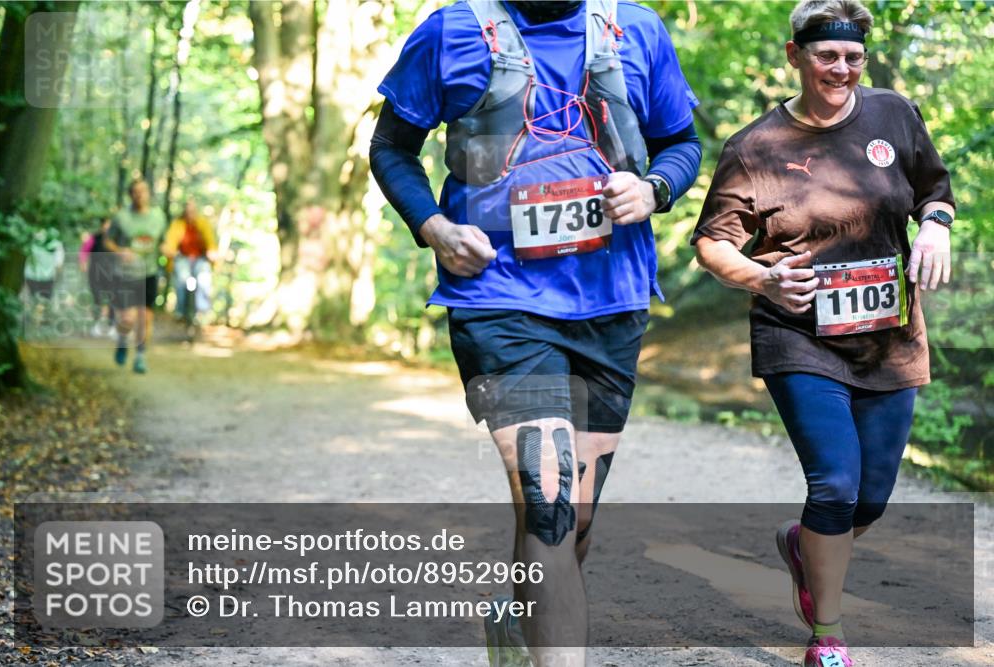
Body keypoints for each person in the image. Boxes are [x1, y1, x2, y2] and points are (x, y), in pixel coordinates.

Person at [370, 1, 700, 664]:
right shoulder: (451, 31)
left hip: (613, 303)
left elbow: (681, 143)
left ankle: (516, 618)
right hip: (499, 299)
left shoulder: (637, 28)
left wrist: (655, 189)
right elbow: (391, 148)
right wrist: (434, 227)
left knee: (572, 520)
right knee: (548, 497)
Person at [691, 1, 954, 665]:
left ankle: (802, 544)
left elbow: (934, 188)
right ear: (795, 56)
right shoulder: (755, 148)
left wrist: (935, 224)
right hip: (797, 332)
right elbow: (713, 242)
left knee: (869, 497)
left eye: (853, 57)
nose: (841, 68)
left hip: (889, 334)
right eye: (827, 56)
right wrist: (760, 278)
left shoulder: (893, 114)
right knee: (834, 484)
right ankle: (827, 636)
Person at [104, 180, 167, 374]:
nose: (140, 195)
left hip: (149, 272)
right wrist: (119, 251)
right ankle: (123, 341)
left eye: (143, 191)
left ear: (148, 193)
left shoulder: (158, 217)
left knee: (145, 318)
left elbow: (163, 242)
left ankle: (140, 355)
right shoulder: (121, 217)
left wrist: (167, 250)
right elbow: (107, 242)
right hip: (125, 274)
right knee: (128, 319)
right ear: (130, 195)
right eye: (135, 192)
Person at [161, 200, 218, 323]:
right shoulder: (177, 224)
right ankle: (180, 311)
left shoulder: (203, 223)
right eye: (187, 212)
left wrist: (212, 252)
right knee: (182, 278)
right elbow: (170, 241)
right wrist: (169, 250)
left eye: (192, 211)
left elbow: (210, 242)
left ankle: (202, 311)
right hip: (182, 257)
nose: (190, 214)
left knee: (203, 278)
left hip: (200, 258)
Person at [79, 216, 116, 337]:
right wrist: (83, 263)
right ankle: (97, 326)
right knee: (97, 299)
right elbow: (84, 251)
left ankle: (112, 326)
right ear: (102, 225)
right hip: (95, 273)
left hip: (112, 274)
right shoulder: (94, 238)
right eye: (106, 224)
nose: (108, 227)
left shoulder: (115, 239)